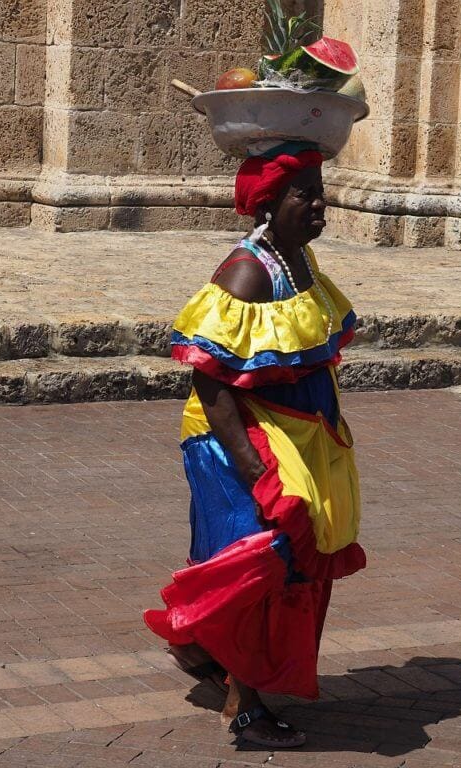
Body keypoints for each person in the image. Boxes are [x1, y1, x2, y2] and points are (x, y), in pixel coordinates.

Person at [144, 147, 365, 749]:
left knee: (261, 558)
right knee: (260, 564)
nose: (320, 206)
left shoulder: (300, 261)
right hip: (234, 439)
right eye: (304, 196)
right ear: (269, 202)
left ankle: (195, 646)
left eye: (321, 192)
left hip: (295, 434)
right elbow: (210, 380)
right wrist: (256, 469)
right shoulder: (247, 273)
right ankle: (245, 705)